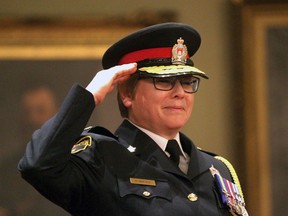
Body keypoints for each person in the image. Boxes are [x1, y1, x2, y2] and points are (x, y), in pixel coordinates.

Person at [18, 22, 248, 216]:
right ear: (127, 93)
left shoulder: (217, 168)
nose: (180, 92)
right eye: (165, 82)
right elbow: (38, 166)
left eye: (187, 81)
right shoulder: (100, 157)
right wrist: (89, 97)